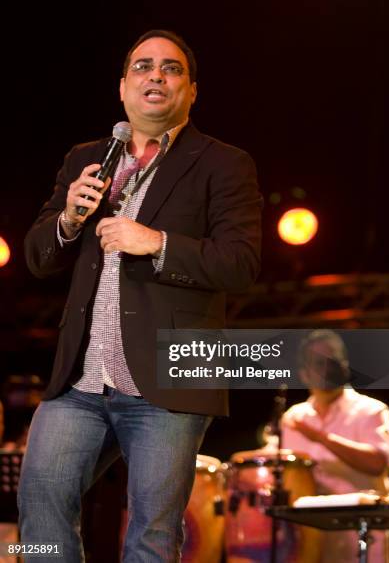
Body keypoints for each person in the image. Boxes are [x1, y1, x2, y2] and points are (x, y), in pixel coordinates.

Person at [18, 29, 263, 562]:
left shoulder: (224, 163)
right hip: (80, 381)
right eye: (143, 66)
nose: (156, 75)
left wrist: (157, 243)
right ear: (123, 87)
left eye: (171, 68)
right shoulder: (86, 158)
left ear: (192, 90)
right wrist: (69, 218)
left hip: (168, 384)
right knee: (38, 512)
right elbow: (38, 257)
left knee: (152, 532)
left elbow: (240, 264)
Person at [282, 329, 389, 563]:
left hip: (361, 537)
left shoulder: (371, 411)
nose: (327, 367)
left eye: (332, 360)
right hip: (307, 539)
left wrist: (321, 437)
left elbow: (378, 463)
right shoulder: (293, 417)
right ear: (303, 373)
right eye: (318, 362)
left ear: (345, 365)